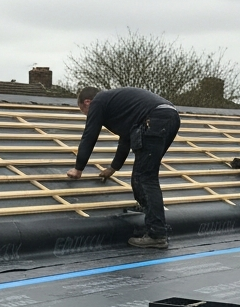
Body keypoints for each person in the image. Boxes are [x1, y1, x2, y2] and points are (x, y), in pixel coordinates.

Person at [66, 86, 181, 249]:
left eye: (83, 110)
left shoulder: (99, 101)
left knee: (145, 178)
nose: (86, 115)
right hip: (169, 116)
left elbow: (90, 134)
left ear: (87, 102)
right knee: (143, 173)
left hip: (155, 118)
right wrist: (113, 168)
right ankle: (149, 211)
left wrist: (79, 168)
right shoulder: (121, 106)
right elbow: (126, 139)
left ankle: (157, 234)